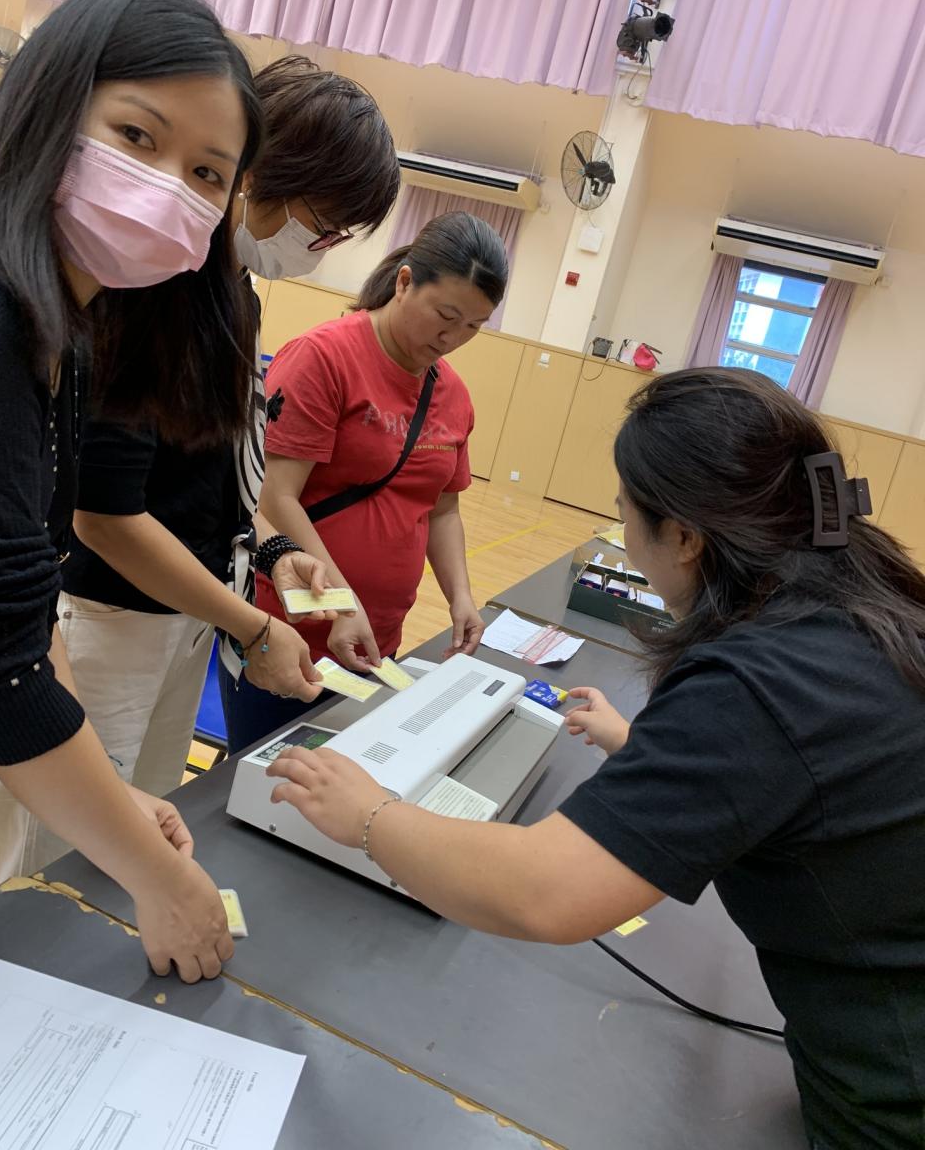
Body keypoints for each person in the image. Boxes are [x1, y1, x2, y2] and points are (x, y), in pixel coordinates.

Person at [268, 368, 925, 1149]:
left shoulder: (757, 684)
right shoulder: (871, 607)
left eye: (626, 516)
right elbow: (811, 770)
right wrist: (654, 754)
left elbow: (544, 893)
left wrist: (369, 814)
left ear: (685, 537)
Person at [0, 0, 265, 982]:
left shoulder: (67, 334)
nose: (170, 188)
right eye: (137, 136)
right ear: (52, 102)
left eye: (208, 172)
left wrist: (114, 800)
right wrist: (155, 874)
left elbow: (18, 608)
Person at [38, 56, 400, 825]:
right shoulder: (150, 287)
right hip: (109, 618)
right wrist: (255, 627)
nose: (322, 245)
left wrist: (274, 553)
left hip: (186, 614)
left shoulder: (234, 293)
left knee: (147, 817)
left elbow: (214, 483)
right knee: (59, 836)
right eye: (322, 223)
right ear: (259, 173)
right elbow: (103, 516)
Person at [223, 212, 507, 753]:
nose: (452, 339)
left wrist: (461, 597)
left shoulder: (453, 395)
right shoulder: (324, 357)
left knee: (339, 779)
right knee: (257, 782)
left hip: (374, 637)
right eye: (445, 316)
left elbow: (442, 509)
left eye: (473, 327)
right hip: (286, 628)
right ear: (405, 282)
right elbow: (273, 497)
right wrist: (340, 600)